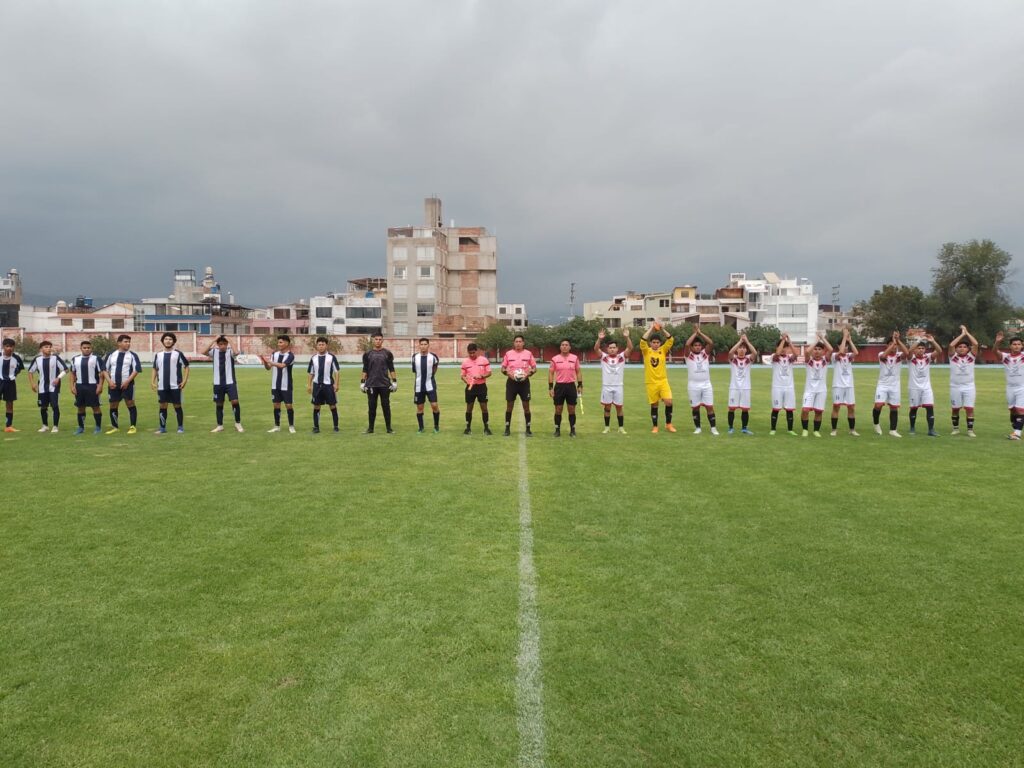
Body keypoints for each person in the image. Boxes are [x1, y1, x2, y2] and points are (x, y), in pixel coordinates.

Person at [595, 328, 633, 434]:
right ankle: (607, 427)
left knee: (619, 408)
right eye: (610, 348)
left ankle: (621, 427)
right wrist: (599, 339)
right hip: (606, 386)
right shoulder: (603, 357)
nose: (612, 349)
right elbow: (596, 348)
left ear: (617, 349)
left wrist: (627, 337)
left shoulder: (622, 357)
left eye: (614, 348)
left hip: (618, 386)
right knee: (607, 408)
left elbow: (630, 347)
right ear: (607, 349)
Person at [872, 330, 909, 437]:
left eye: (895, 346)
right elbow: (883, 356)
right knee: (878, 405)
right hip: (882, 385)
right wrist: (893, 342)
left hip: (895, 386)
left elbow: (907, 353)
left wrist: (898, 340)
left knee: (894, 407)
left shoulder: (899, 356)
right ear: (887, 345)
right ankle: (876, 423)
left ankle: (893, 430)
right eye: (891, 345)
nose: (894, 347)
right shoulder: (881, 354)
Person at [151, 332, 190, 434]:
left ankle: (180, 427)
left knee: (177, 406)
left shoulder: (178, 354)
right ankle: (162, 428)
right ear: (163, 341)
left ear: (173, 341)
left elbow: (186, 367)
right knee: (163, 406)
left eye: (170, 339)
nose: (168, 341)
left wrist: (184, 381)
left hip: (175, 386)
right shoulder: (158, 355)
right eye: (166, 339)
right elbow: (155, 368)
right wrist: (152, 381)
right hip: (162, 386)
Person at [205, 336, 243, 433]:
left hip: (230, 382)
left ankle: (237, 423)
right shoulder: (214, 352)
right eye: (220, 344)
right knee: (219, 404)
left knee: (234, 401)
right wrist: (214, 339)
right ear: (218, 345)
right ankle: (220, 426)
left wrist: (230, 340)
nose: (222, 346)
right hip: (218, 383)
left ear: (227, 344)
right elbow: (203, 351)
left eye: (224, 344)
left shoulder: (230, 352)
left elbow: (237, 352)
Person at [103, 334, 141, 434]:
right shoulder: (111, 354)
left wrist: (127, 381)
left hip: (128, 385)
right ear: (119, 343)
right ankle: (115, 427)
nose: (128, 344)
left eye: (129, 342)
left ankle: (133, 426)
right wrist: (109, 381)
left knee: (130, 403)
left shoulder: (132, 355)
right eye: (125, 342)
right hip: (113, 385)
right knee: (113, 405)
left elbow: (136, 370)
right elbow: (104, 369)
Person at [501, 333, 537, 436]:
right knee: (509, 406)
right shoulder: (508, 354)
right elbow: (503, 368)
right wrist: (508, 374)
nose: (518, 343)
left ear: (523, 343)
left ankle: (528, 429)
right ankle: (507, 429)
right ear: (514, 343)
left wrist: (528, 374)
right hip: (511, 383)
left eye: (520, 341)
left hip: (524, 383)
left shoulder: (528, 354)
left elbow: (534, 368)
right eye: (516, 342)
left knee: (526, 406)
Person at [684, 325, 718, 435]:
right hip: (693, 385)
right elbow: (687, 344)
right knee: (695, 408)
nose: (698, 347)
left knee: (709, 407)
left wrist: (700, 333)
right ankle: (698, 427)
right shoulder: (688, 356)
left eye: (699, 345)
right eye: (695, 345)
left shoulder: (705, 354)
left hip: (706, 384)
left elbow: (711, 343)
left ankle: (713, 428)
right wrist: (695, 334)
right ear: (693, 347)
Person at [361, 332, 397, 434]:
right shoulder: (367, 354)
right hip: (371, 384)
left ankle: (389, 428)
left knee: (386, 406)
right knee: (372, 407)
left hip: (385, 385)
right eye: (376, 339)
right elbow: (365, 369)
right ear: (373, 340)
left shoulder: (387, 353)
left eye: (380, 339)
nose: (378, 341)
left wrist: (394, 382)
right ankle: (370, 428)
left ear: (382, 340)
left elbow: (391, 368)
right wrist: (362, 382)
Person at [27, 340, 66, 433]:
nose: (49, 349)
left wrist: (58, 378)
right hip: (42, 388)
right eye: (46, 347)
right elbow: (30, 371)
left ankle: (55, 426)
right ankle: (45, 426)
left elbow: (65, 369)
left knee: (54, 406)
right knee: (43, 407)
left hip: (53, 387)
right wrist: (32, 383)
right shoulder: (37, 359)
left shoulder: (55, 358)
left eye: (49, 347)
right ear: (41, 349)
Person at [907, 334, 942, 436]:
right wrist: (919, 340)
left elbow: (939, 351)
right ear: (915, 350)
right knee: (914, 408)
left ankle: (931, 430)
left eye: (923, 348)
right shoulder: (911, 358)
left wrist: (933, 341)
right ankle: (912, 428)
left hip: (926, 387)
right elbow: (909, 351)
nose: (921, 350)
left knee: (930, 407)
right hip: (914, 387)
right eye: (919, 348)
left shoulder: (928, 357)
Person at [947, 325, 978, 437]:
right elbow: (951, 345)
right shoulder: (953, 357)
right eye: (959, 346)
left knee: (969, 409)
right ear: (956, 349)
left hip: (969, 387)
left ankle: (970, 430)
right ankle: (956, 428)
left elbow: (975, 344)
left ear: (968, 349)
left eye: (964, 347)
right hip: (955, 386)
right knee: (955, 409)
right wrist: (962, 335)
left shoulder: (971, 356)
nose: (961, 348)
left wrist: (967, 333)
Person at [993, 331, 1024, 440]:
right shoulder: (1005, 357)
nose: (1017, 346)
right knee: (1013, 410)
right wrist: (997, 342)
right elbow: (995, 351)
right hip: (1010, 387)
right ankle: (1016, 428)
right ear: (1010, 346)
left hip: (1022, 387)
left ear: (1022, 345)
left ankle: (1017, 434)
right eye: (1014, 344)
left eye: (1019, 344)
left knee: (1020, 410)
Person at [69, 340, 105, 435]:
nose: (86, 349)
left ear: (91, 348)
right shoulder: (75, 359)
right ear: (81, 348)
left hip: (93, 386)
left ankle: (98, 427)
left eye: (88, 348)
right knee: (80, 407)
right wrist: (72, 386)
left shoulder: (96, 359)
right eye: (84, 348)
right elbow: (72, 373)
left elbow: (101, 373)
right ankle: (81, 427)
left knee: (95, 407)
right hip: (80, 386)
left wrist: (100, 385)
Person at [548, 338, 582, 437]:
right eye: (562, 345)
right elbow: (551, 373)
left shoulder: (575, 358)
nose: (564, 346)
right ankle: (557, 430)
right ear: (560, 347)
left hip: (571, 386)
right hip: (559, 386)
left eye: (566, 345)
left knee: (571, 409)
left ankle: (572, 430)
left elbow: (578, 371)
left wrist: (580, 385)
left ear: (570, 347)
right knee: (558, 409)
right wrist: (550, 387)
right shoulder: (555, 359)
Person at [800, 334, 833, 437]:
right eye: (815, 349)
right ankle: (805, 430)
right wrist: (816, 341)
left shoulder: (825, 361)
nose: (817, 351)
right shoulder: (809, 361)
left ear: (823, 351)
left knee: (818, 412)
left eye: (819, 349)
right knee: (805, 410)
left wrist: (823, 338)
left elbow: (831, 349)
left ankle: (816, 430)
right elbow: (806, 352)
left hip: (821, 390)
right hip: (809, 390)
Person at [262, 335, 296, 433]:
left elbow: (282, 366)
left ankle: (291, 426)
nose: (279, 344)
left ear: (287, 343)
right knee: (276, 405)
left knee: (288, 405)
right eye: (278, 342)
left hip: (286, 385)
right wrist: (265, 363)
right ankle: (277, 426)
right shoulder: (274, 354)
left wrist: (271, 363)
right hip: (275, 385)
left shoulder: (290, 355)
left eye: (281, 342)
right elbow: (268, 368)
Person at [830, 327, 859, 437]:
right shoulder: (834, 356)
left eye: (847, 346)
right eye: (844, 345)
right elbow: (841, 351)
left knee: (851, 407)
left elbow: (856, 352)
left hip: (849, 386)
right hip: (838, 385)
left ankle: (852, 430)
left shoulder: (849, 356)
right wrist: (844, 337)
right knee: (836, 407)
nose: (846, 348)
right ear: (838, 346)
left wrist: (849, 340)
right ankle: (833, 429)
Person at [307, 336, 340, 433]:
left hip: (329, 385)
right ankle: (316, 427)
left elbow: (336, 372)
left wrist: (337, 384)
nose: (321, 346)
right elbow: (311, 373)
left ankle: (336, 426)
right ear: (316, 346)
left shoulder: (331, 357)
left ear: (326, 346)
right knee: (316, 406)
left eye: (323, 344)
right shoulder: (314, 358)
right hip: (317, 385)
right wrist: (309, 385)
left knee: (332, 405)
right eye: (319, 345)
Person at [726, 334, 756, 435]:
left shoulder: (748, 359)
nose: (742, 350)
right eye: (740, 348)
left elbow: (754, 353)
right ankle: (730, 428)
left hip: (746, 388)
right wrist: (740, 341)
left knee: (745, 409)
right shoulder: (733, 359)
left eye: (743, 348)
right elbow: (730, 352)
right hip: (734, 387)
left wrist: (746, 341)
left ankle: (744, 428)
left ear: (746, 350)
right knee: (731, 408)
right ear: (737, 349)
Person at [461, 342, 492, 435]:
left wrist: (482, 376)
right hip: (470, 388)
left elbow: (489, 373)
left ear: (477, 351)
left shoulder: (484, 360)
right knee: (469, 408)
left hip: (481, 387)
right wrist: (467, 381)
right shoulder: (465, 362)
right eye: (470, 353)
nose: (472, 355)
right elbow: (462, 376)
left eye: (473, 352)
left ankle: (486, 428)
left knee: (484, 408)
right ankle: (468, 428)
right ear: (468, 352)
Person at [770, 334, 798, 435]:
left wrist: (789, 342)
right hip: (777, 387)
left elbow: (796, 354)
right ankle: (773, 429)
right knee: (776, 409)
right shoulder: (774, 357)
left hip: (789, 387)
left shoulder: (790, 358)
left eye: (785, 348)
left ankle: (790, 430)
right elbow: (778, 353)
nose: (783, 350)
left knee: (789, 409)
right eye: (781, 347)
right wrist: (782, 340)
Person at [412, 337, 441, 433]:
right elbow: (415, 371)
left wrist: (431, 376)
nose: (423, 346)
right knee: (420, 408)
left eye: (425, 344)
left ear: (428, 345)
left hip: (430, 385)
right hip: (418, 386)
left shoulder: (433, 357)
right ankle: (421, 428)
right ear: (419, 345)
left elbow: (435, 367)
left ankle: (436, 426)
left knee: (434, 405)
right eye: (422, 344)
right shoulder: (414, 357)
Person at [0, 338, 24, 432]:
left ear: (13, 347)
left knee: (9, 404)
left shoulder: (16, 358)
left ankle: (8, 426)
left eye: (11, 346)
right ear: (3, 347)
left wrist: (14, 374)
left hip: (10, 383)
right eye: (7, 346)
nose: (9, 348)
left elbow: (21, 368)